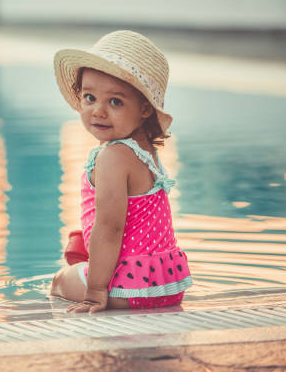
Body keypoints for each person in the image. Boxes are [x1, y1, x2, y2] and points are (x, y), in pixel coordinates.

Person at [50, 30, 192, 313]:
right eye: (90, 97)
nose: (99, 111)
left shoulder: (112, 156)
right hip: (166, 284)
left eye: (115, 101)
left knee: (59, 282)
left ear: (144, 109)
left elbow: (110, 227)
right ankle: (94, 270)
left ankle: (94, 282)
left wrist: (95, 291)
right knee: (82, 249)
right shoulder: (145, 150)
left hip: (128, 289)